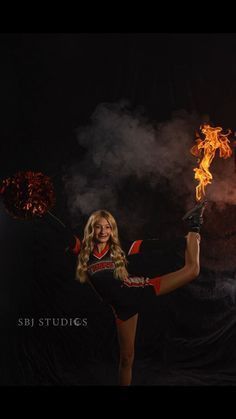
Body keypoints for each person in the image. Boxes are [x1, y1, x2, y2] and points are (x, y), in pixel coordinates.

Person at [70, 201, 206, 386]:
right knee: (126, 359)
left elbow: (152, 245)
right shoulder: (82, 251)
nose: (103, 231)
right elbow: (61, 234)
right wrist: (41, 210)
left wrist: (184, 241)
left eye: (107, 227)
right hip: (122, 309)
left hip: (141, 290)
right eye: (98, 227)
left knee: (192, 270)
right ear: (91, 230)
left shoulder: (119, 249)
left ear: (112, 230)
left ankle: (194, 224)